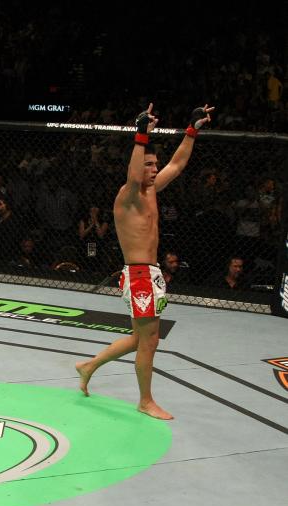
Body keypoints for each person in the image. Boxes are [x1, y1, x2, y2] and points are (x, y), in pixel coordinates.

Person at [76, 103, 213, 421]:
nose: (154, 169)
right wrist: (140, 135)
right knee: (149, 341)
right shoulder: (128, 195)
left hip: (148, 275)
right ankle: (145, 400)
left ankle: (89, 366)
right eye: (149, 165)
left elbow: (177, 165)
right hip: (139, 275)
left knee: (140, 338)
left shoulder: (151, 191)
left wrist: (191, 130)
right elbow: (133, 171)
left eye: (154, 165)